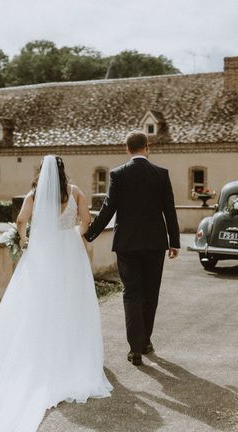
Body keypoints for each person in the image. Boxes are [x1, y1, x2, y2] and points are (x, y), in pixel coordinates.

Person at [0, 155, 112, 432]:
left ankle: (42, 351)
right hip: (70, 254)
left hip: (44, 255)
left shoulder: (35, 194)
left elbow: (21, 220)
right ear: (63, 172)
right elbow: (87, 220)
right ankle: (73, 354)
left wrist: (26, 238)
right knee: (72, 303)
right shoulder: (76, 192)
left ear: (42, 173)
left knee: (40, 305)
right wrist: (74, 236)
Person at [84, 131, 180, 366]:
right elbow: (169, 210)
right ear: (147, 147)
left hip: (127, 245)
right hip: (155, 244)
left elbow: (108, 209)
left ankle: (134, 349)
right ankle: (146, 341)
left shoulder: (118, 174)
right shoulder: (161, 174)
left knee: (131, 294)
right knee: (150, 293)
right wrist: (174, 242)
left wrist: (90, 234)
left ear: (126, 149)